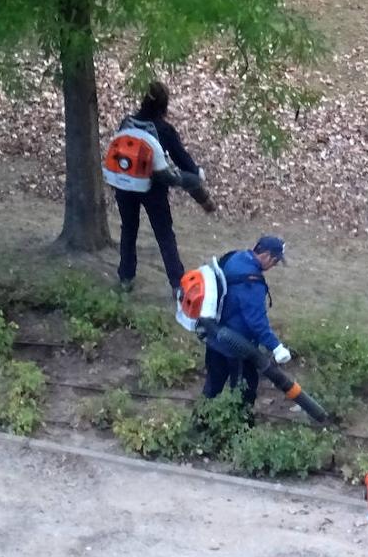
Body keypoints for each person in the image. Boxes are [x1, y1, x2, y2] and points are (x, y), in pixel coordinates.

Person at [111, 81, 207, 295]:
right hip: (153, 188)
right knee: (164, 234)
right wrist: (196, 173)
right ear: (165, 105)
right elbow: (182, 160)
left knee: (128, 230)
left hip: (125, 186)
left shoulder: (127, 123)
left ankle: (126, 278)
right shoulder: (164, 130)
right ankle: (177, 284)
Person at [201, 236, 292, 408]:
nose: (274, 266)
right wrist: (276, 347)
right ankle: (243, 432)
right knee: (245, 393)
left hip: (215, 337)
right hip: (238, 347)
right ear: (265, 255)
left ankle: (199, 425)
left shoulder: (235, 257)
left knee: (212, 388)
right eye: (274, 261)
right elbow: (256, 321)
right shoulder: (252, 282)